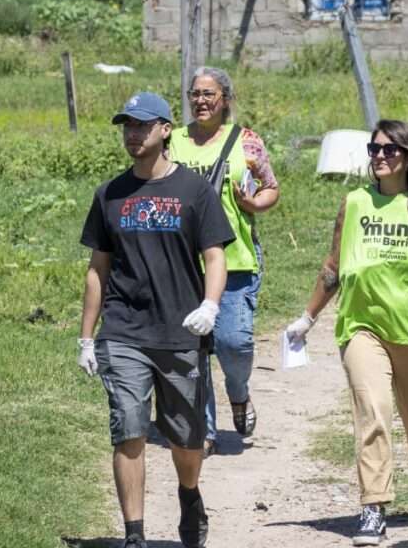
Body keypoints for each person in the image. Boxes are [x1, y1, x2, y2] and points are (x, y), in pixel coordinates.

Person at [282, 120, 408, 546]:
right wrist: (307, 319)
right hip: (363, 328)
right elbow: (333, 266)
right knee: (373, 413)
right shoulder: (356, 203)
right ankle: (373, 508)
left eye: (389, 150)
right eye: (373, 149)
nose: (379, 156)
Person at [77, 92, 234, 548]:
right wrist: (87, 338)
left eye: (142, 125)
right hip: (124, 330)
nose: (132, 133)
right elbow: (97, 268)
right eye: (127, 125)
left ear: (166, 130)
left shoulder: (194, 191)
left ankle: (189, 495)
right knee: (129, 427)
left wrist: (210, 305)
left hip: (180, 331)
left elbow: (215, 255)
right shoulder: (110, 194)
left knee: (186, 437)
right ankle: (135, 535)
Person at [169, 66, 280, 457]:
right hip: (184, 261)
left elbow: (271, 188)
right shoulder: (172, 141)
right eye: (195, 94)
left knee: (233, 343)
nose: (200, 101)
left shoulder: (246, 142)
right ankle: (206, 431)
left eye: (209, 94)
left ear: (225, 100)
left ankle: (238, 392)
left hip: (235, 259)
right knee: (193, 350)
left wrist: (253, 203)